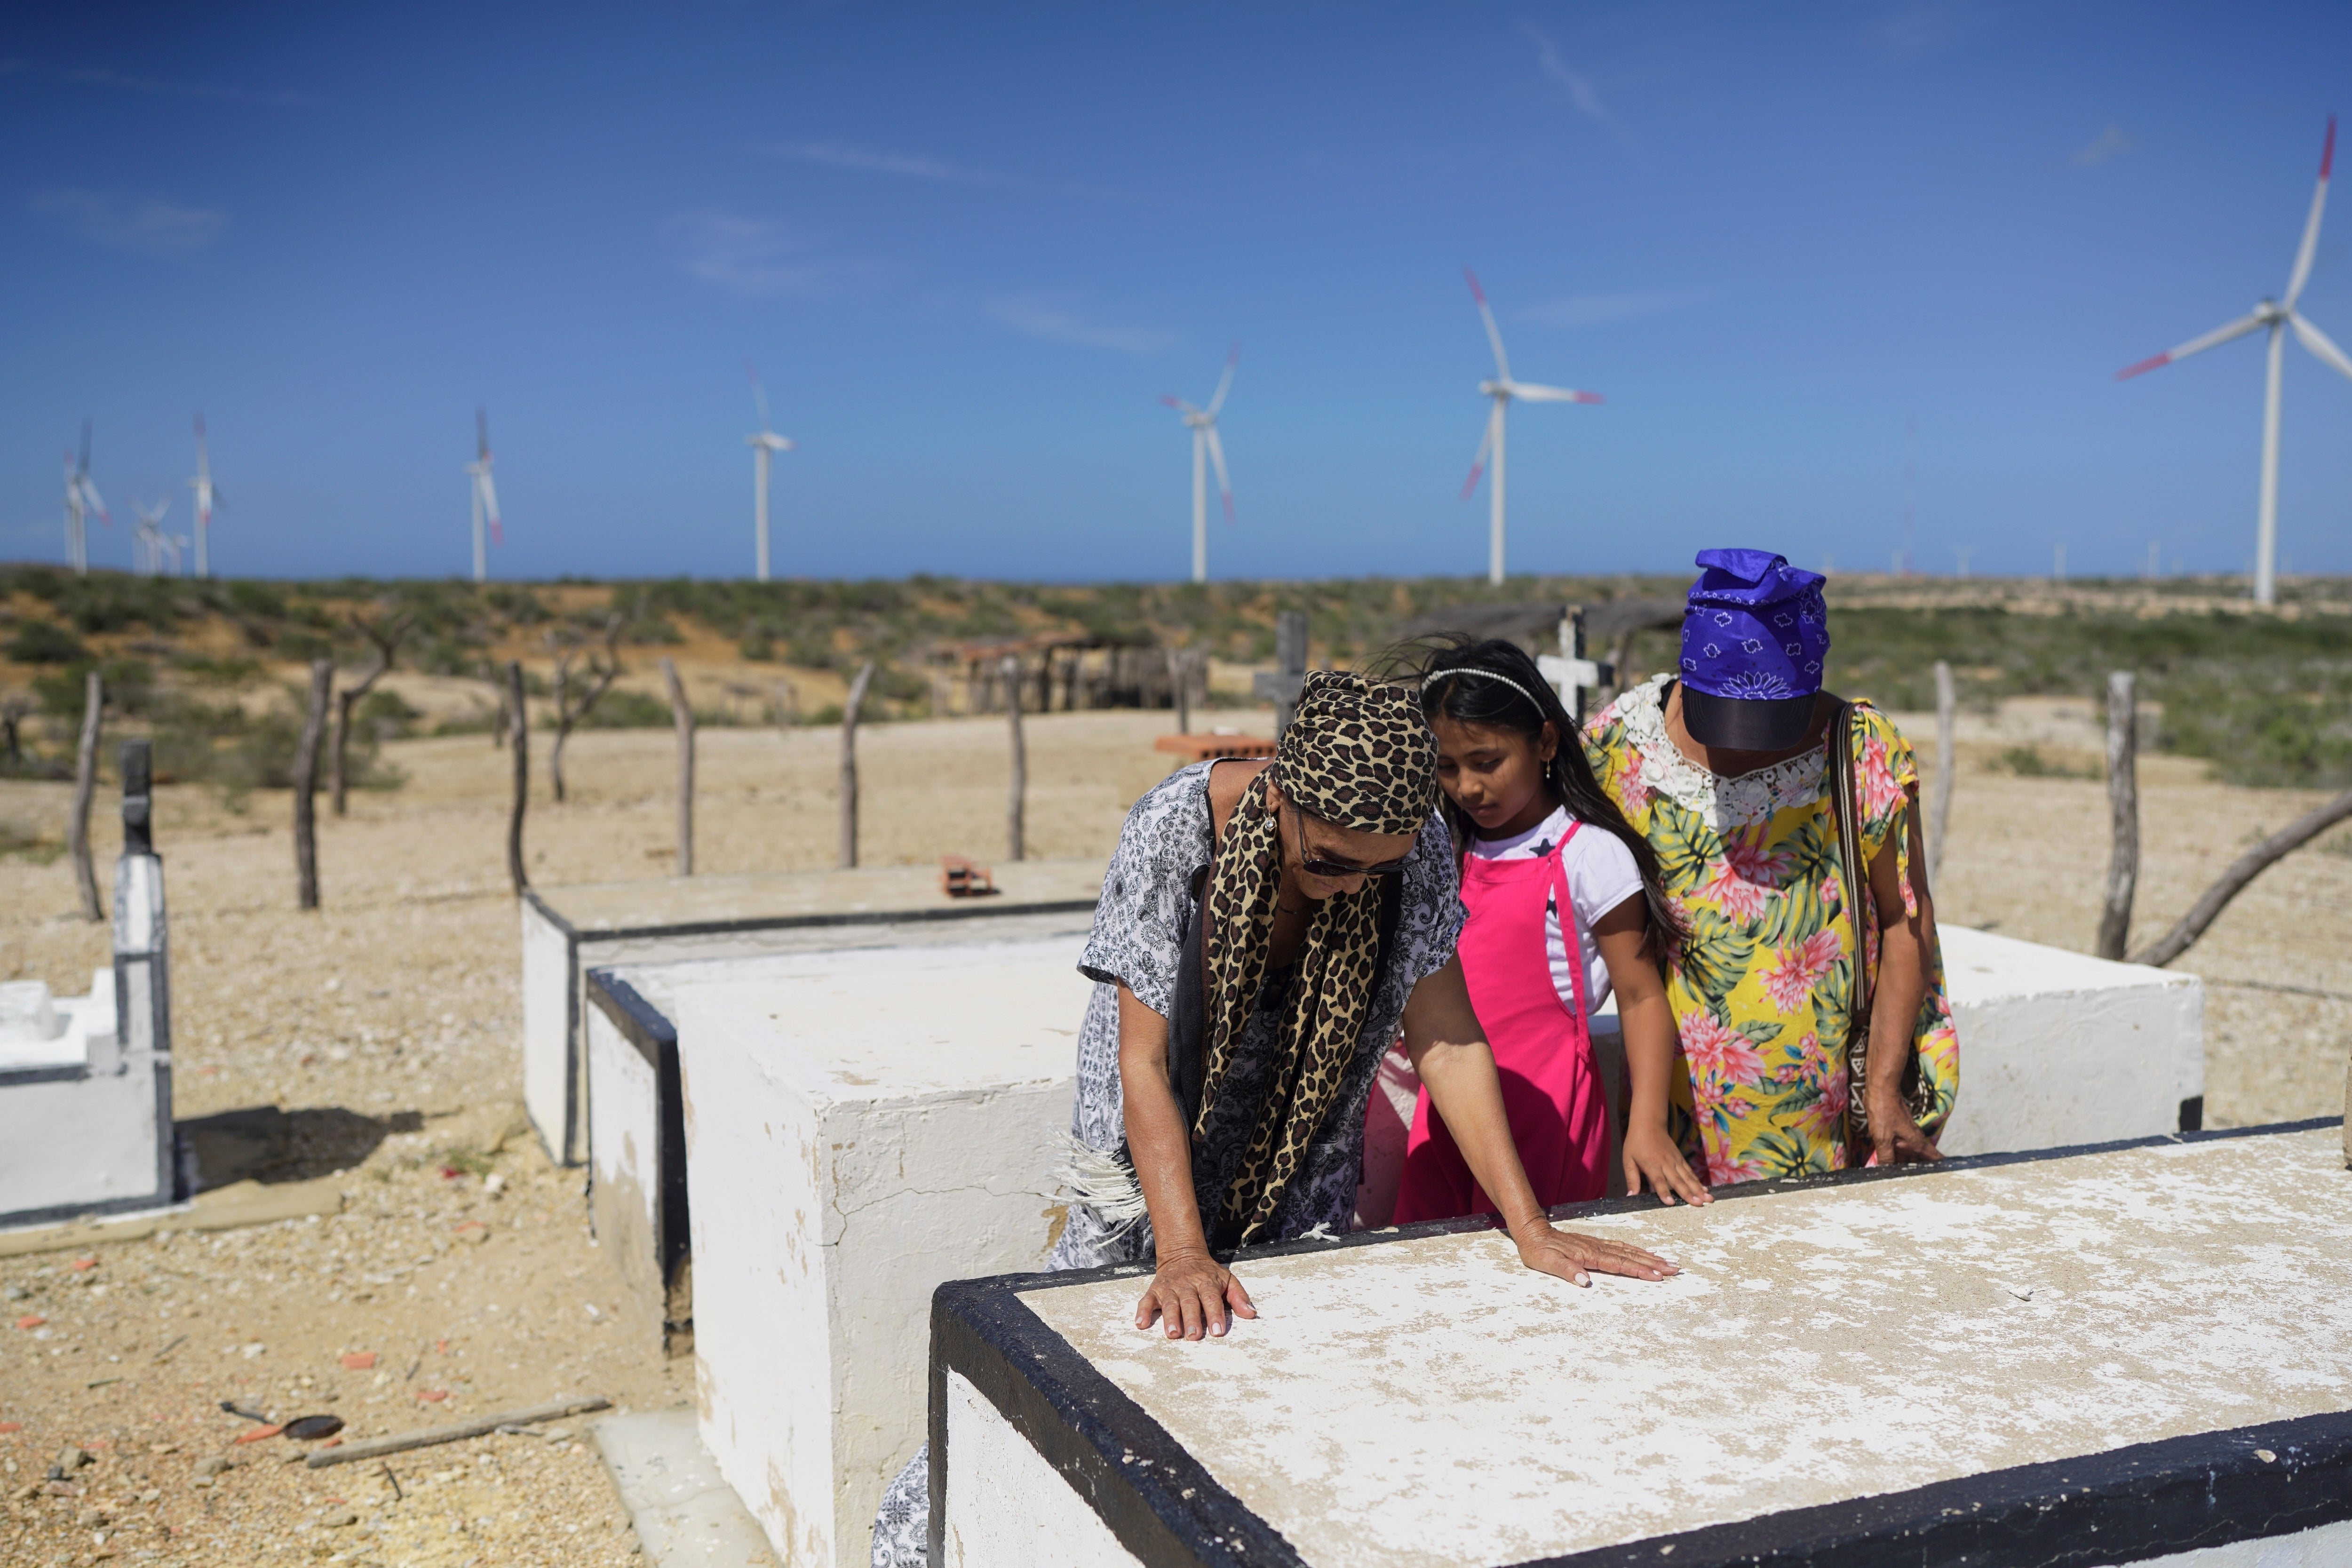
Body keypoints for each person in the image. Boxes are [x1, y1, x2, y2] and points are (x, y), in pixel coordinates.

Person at [870, 670, 1677, 1568]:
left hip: (1301, 1156)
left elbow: (1446, 1037)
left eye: (1378, 867)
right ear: (1284, 794)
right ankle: (916, 1545)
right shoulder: (1178, 828)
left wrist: (1530, 1226)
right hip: (1144, 1167)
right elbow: (1141, 1061)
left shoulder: (1414, 853)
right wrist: (1178, 1248)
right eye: (1329, 860)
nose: (1349, 887)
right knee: (1082, 1367)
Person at [1584, 549, 1960, 1184]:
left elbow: (1904, 923)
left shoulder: (1860, 751)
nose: (1739, 739)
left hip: (1835, 1113)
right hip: (1677, 1114)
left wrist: (1886, 1089)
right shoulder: (1621, 752)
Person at [1391, 638, 1709, 1222]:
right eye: (1447, 768)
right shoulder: (1441, 849)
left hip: (1550, 1119)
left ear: (1543, 741)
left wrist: (1645, 1125)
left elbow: (1640, 996)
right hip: (1447, 1113)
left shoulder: (1589, 855)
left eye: (1486, 763)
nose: (1466, 787)